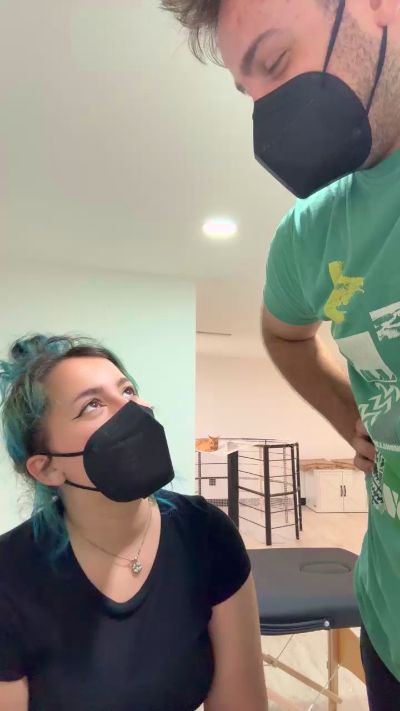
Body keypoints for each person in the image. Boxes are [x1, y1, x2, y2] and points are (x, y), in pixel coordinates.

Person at [161, 0, 400, 709]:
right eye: (249, 92)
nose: (268, 112)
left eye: (274, 61)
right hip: (389, 629)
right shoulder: (310, 234)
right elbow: (284, 334)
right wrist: (348, 415)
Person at [0, 334, 267, 711]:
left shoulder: (204, 532)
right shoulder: (10, 574)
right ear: (47, 468)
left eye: (127, 390)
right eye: (92, 404)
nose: (133, 408)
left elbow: (240, 701)